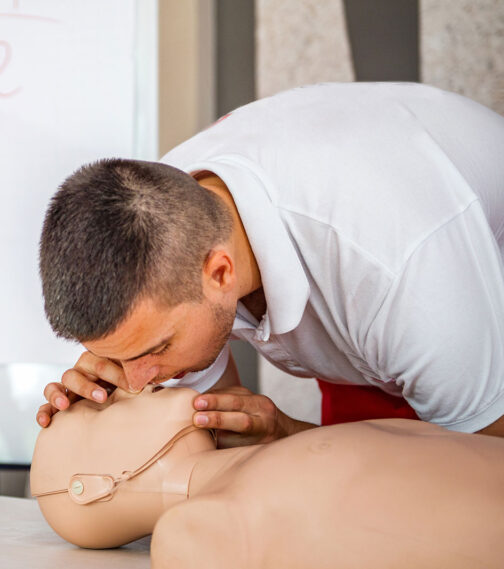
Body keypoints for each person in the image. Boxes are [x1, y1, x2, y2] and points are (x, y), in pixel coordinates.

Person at [35, 82, 504, 446]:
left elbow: (480, 468)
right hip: (378, 334)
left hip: (467, 322)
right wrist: (107, 409)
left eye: (153, 349)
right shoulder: (167, 216)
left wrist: (289, 436)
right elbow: (214, 424)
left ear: (220, 272)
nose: (139, 380)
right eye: (123, 358)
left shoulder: (396, 270)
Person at [30, 386, 504, 567]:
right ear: (89, 486)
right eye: (105, 405)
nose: (134, 383)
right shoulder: (199, 534)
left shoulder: (269, 458)